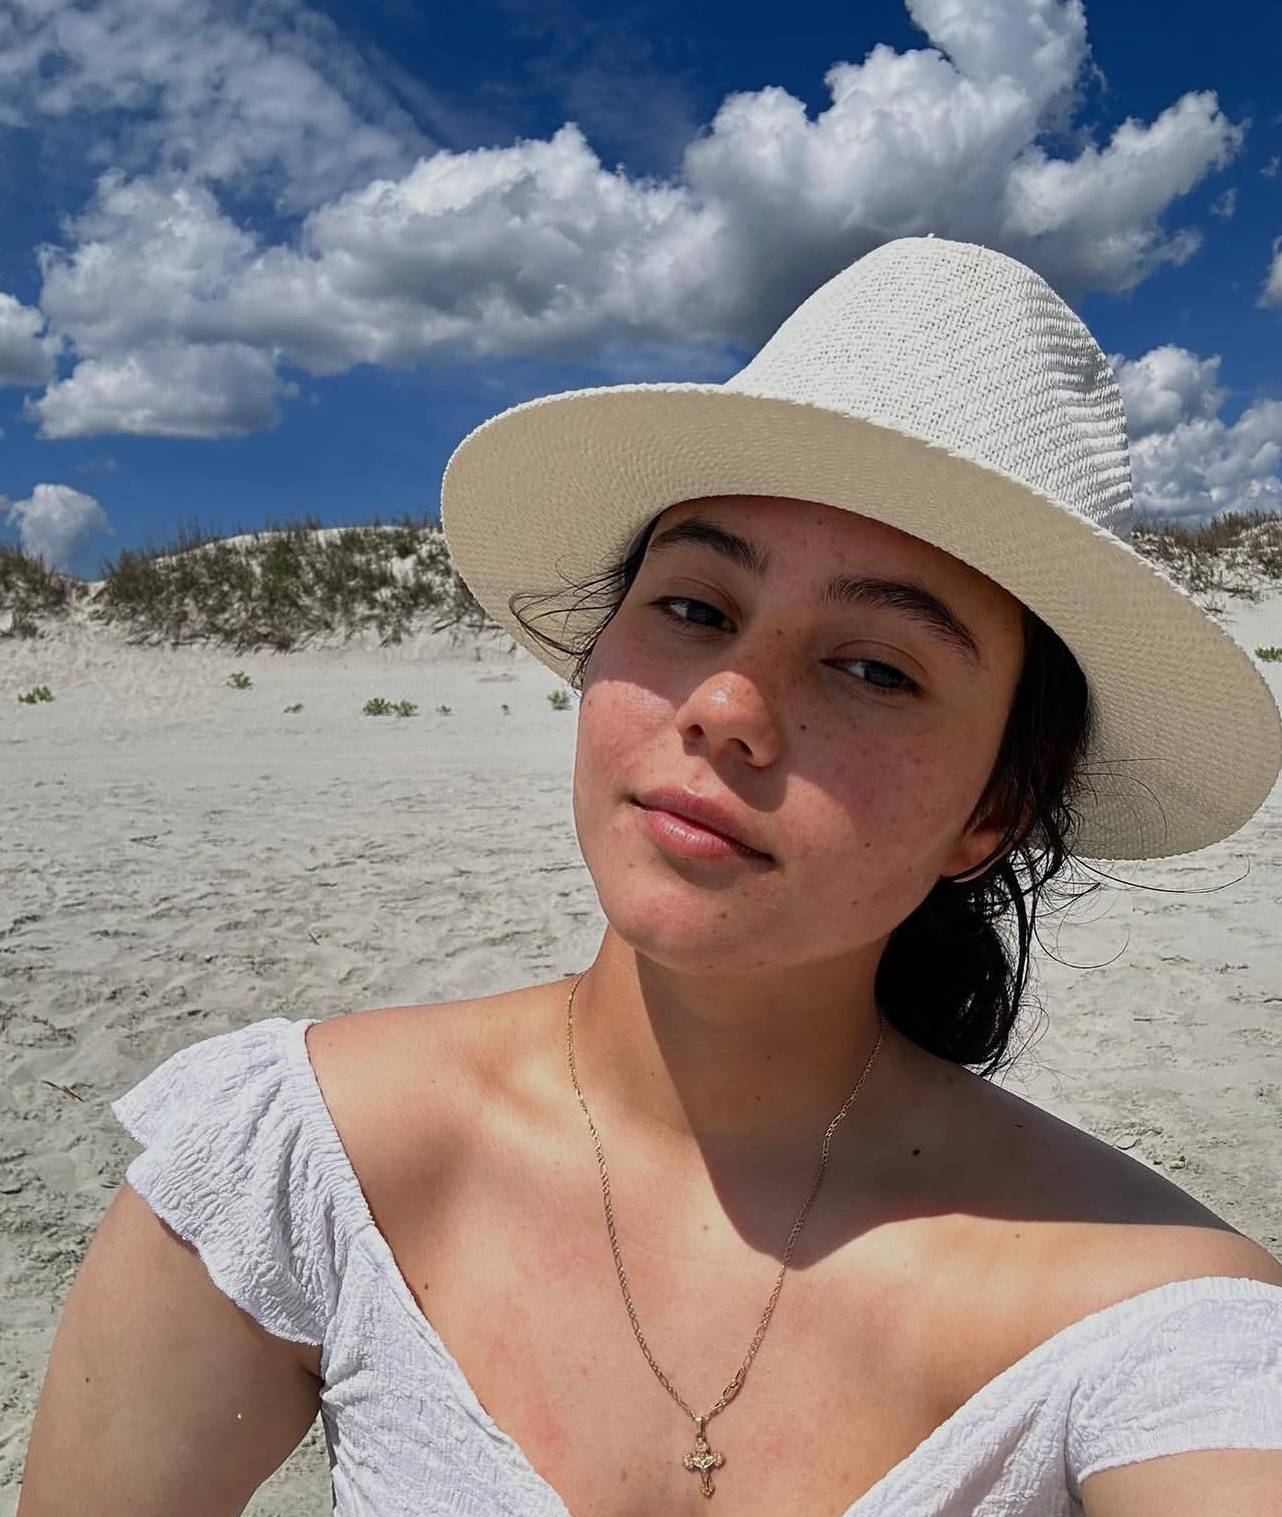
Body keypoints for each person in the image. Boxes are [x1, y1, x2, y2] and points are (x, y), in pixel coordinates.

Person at [18, 237, 1282, 1516]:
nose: (728, 705)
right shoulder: (300, 1158)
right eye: (693, 608)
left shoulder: (1153, 1315)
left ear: (995, 807)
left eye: (874, 667)